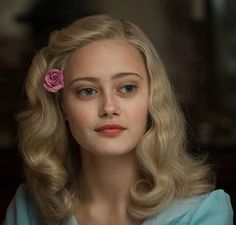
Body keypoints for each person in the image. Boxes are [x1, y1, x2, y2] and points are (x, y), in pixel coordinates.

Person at [3, 14, 233, 225]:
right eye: (87, 91)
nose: (109, 108)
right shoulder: (28, 210)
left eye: (127, 87)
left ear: (152, 98)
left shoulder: (201, 213)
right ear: (62, 106)